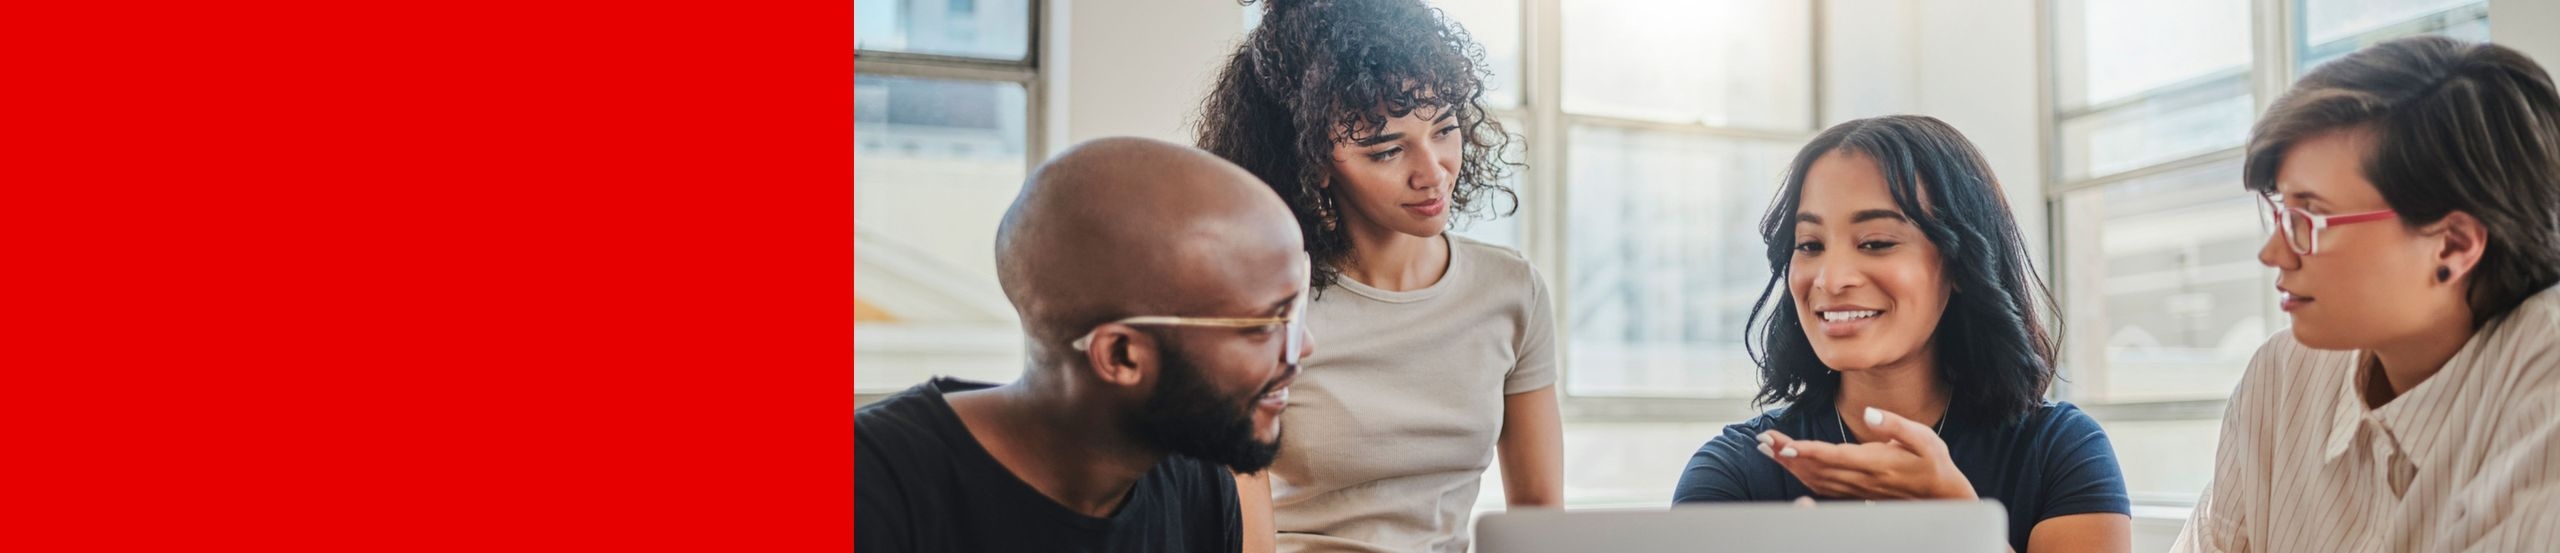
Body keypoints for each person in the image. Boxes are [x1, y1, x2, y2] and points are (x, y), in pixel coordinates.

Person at [1194, 0, 1563, 551]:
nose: (1433, 171)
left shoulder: (1512, 291)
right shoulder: (1261, 304)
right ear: (1313, 161)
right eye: (1388, 150)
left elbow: (1539, 519)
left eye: (1444, 129)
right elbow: (1248, 538)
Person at [1673, 115, 2131, 553]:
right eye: (1810, 245)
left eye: (1876, 243)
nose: (1831, 280)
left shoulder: (2060, 451)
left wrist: (1955, 517)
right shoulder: (1733, 469)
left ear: (1960, 262)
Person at [2172, 36, 2560, 552]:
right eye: (2280, 213)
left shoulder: (2544, 383)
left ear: (2453, 245)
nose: (2273, 252)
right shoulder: (2282, 377)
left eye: (2308, 218)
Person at [855, 137, 1316, 552]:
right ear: (1121, 355)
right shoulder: (869, 493)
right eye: (1264, 325)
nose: (1303, 347)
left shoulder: (1197, 479)